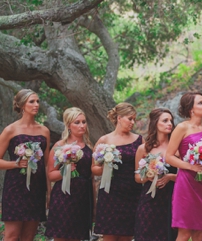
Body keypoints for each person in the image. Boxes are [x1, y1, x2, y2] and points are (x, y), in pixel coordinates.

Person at [0, 89, 50, 241]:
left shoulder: (44, 130)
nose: (36, 105)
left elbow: (47, 164)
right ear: (22, 105)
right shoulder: (10, 130)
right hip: (15, 188)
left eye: (37, 101)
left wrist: (49, 192)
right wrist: (15, 164)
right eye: (32, 101)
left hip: (37, 188)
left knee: (28, 237)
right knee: (12, 236)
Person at [166, 92, 202, 241]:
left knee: (200, 233)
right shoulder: (182, 128)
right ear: (190, 109)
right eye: (200, 103)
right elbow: (169, 156)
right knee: (185, 233)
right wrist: (190, 167)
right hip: (186, 183)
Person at [92, 102, 143, 241]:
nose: (132, 122)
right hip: (110, 194)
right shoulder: (105, 140)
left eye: (134, 119)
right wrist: (105, 167)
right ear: (119, 118)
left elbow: (143, 166)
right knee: (110, 235)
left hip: (133, 193)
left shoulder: (139, 140)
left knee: (127, 235)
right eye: (129, 118)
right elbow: (94, 168)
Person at [46, 107, 94, 241]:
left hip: (83, 197)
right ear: (68, 125)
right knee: (61, 236)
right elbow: (50, 175)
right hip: (64, 196)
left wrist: (94, 206)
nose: (82, 125)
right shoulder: (59, 146)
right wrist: (65, 171)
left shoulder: (89, 146)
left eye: (84, 122)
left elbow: (91, 177)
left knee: (77, 237)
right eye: (77, 122)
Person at [134, 109, 178, 241]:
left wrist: (170, 177)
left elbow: (186, 175)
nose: (169, 123)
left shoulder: (177, 148)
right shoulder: (144, 148)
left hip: (172, 199)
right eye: (165, 121)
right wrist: (149, 176)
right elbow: (137, 177)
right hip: (149, 199)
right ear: (155, 123)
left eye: (171, 121)